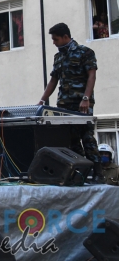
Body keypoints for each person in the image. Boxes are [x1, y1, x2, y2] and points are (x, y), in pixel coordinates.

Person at [37, 22, 103, 181]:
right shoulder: (58, 57)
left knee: (87, 138)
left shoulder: (85, 52)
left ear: (65, 36)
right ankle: (80, 172)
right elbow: (53, 80)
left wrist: (86, 98)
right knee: (70, 140)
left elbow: (92, 76)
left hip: (82, 104)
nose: (54, 42)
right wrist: (42, 100)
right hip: (64, 105)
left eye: (56, 39)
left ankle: (98, 174)